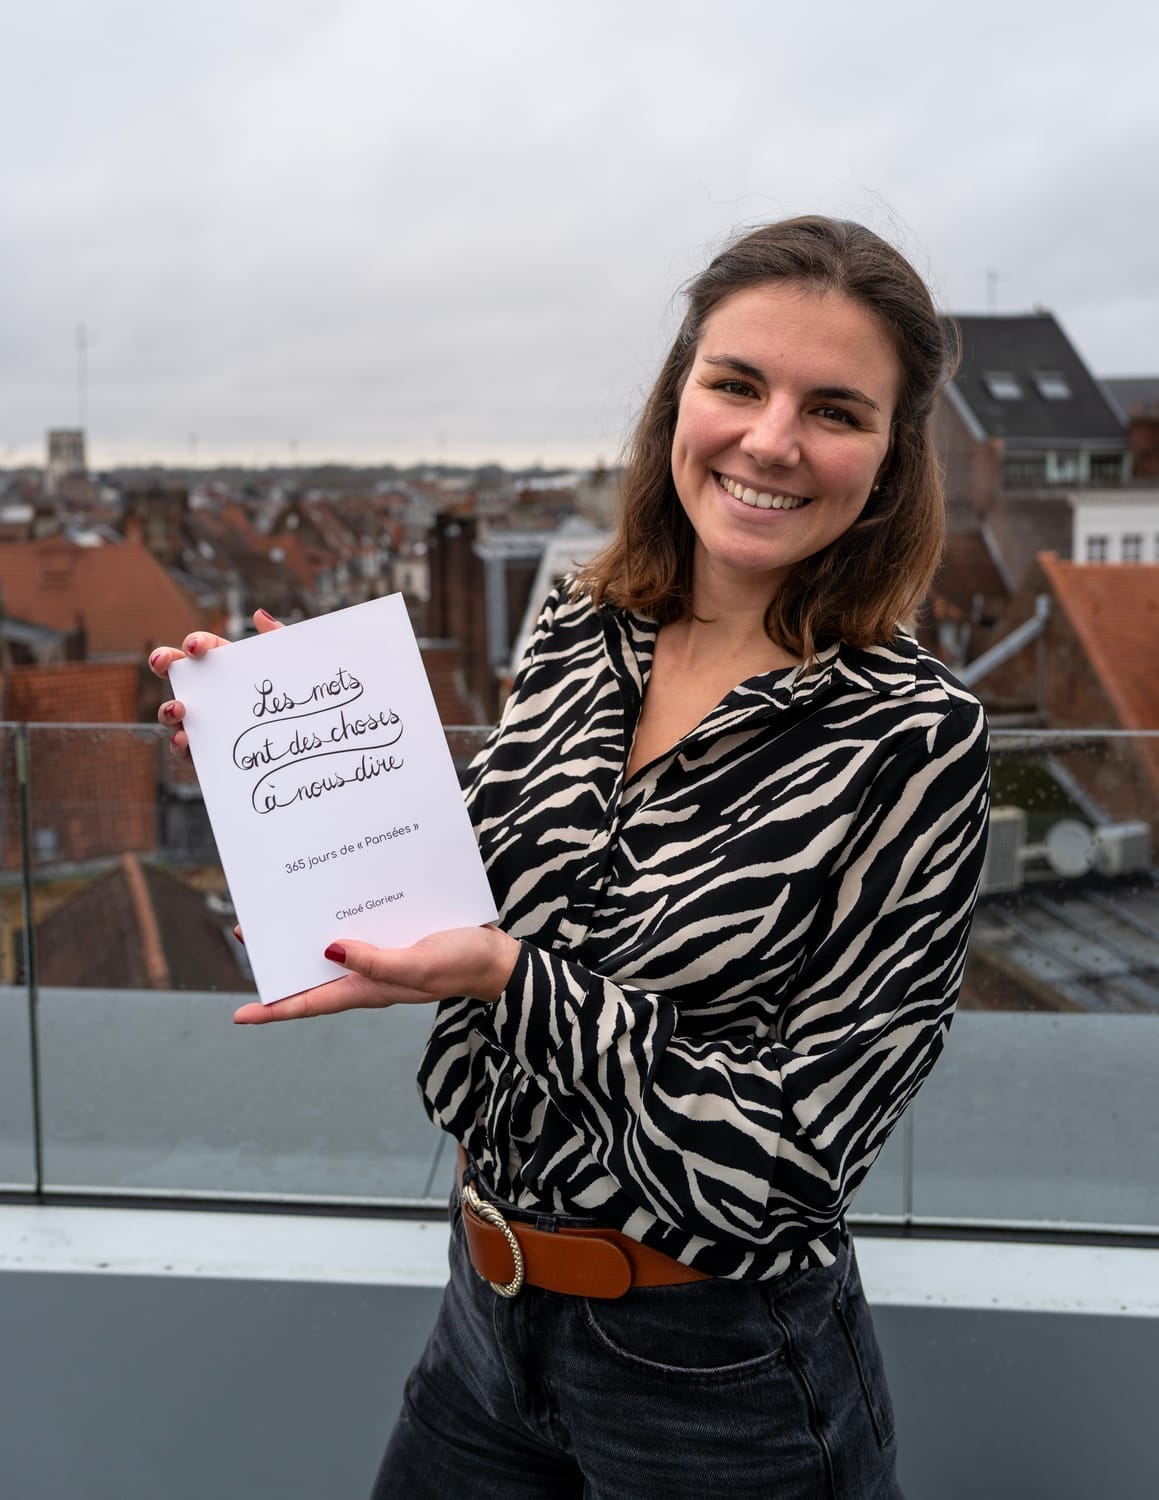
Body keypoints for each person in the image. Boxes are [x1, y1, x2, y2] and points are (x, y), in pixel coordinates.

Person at [152, 215, 990, 1498]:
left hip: (719, 1374)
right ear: (678, 402)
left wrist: (507, 980)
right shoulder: (583, 625)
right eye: (737, 384)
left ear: (889, 459)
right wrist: (287, 749)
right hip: (484, 1312)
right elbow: (471, 869)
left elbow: (791, 1166)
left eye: (833, 410)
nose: (770, 440)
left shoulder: (913, 741)